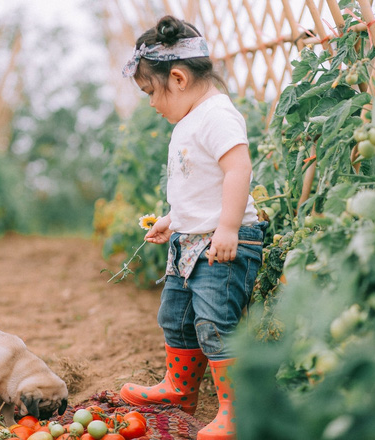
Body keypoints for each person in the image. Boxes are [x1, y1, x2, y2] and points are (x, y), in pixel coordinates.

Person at [118, 15, 265, 440]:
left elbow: (238, 170)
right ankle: (179, 389)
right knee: (176, 317)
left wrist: (228, 228)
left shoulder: (217, 115)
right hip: (188, 241)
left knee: (214, 322)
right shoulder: (189, 120)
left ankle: (236, 411)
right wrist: (171, 219)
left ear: (178, 78)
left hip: (221, 244)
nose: (151, 103)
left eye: (151, 92)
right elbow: (196, 184)